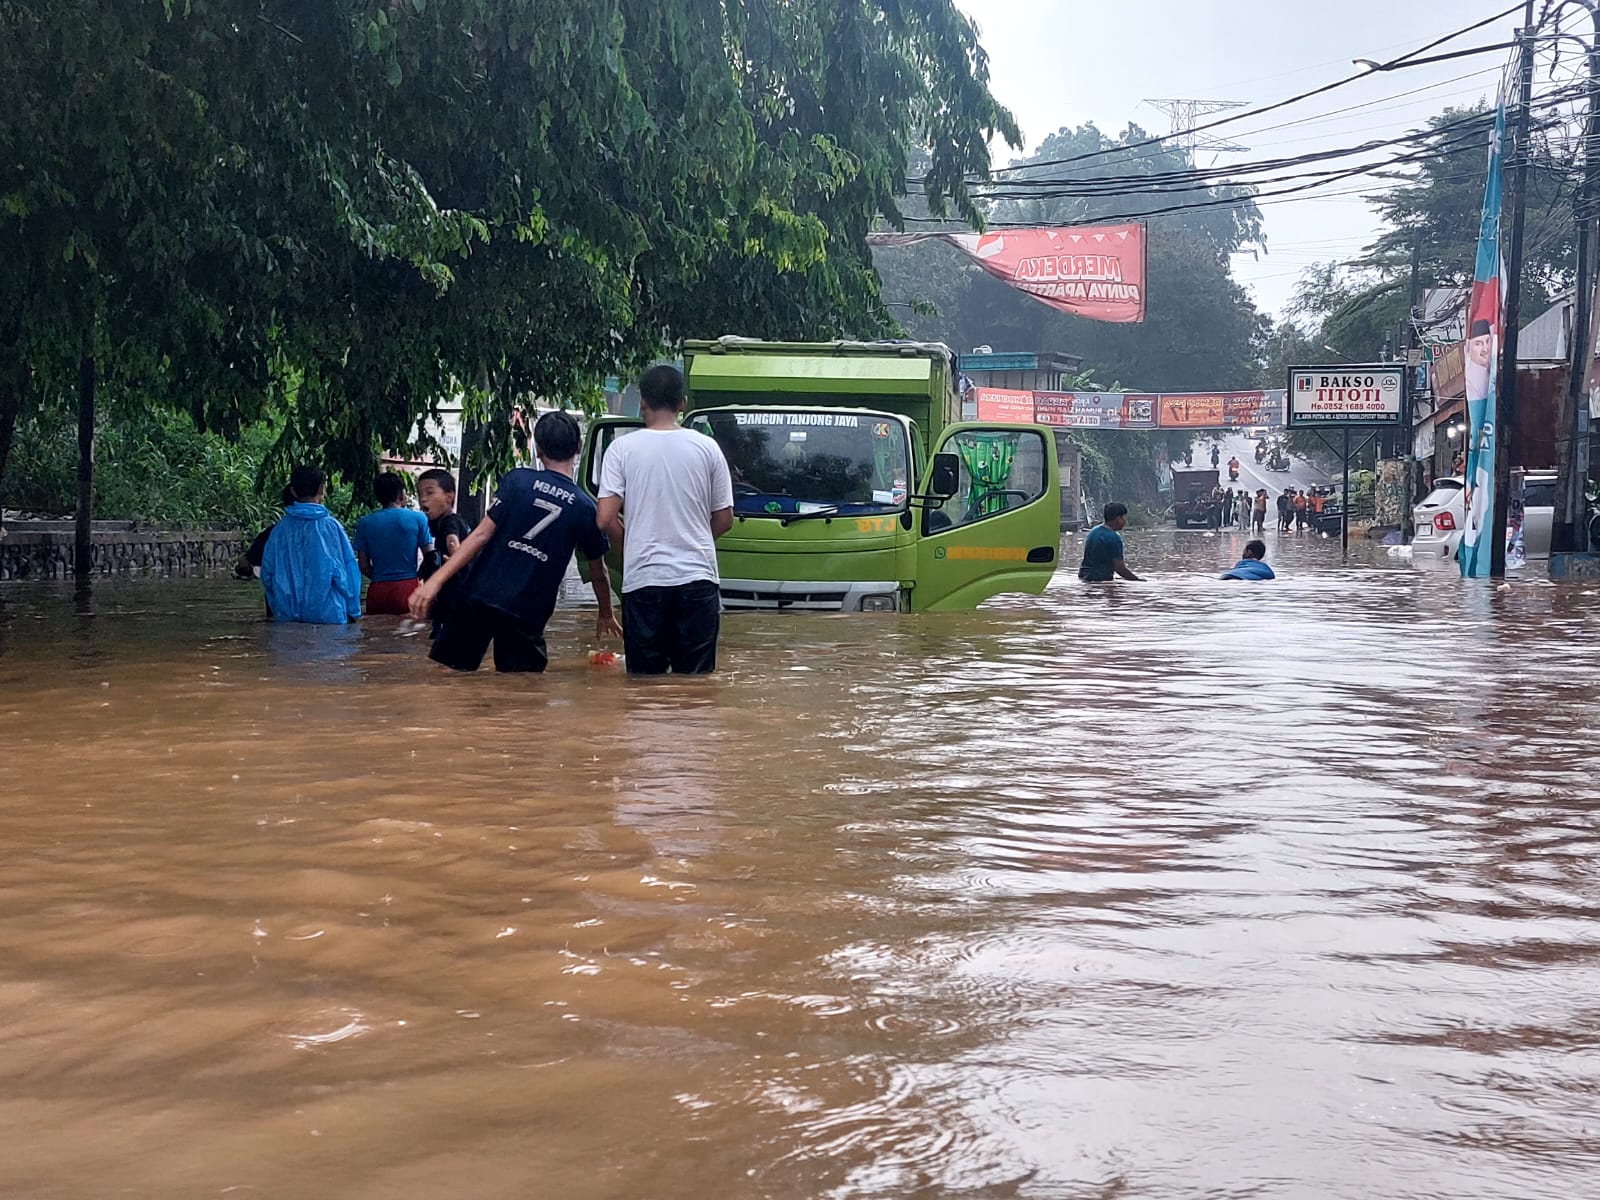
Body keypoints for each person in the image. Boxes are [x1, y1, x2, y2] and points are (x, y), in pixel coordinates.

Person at [410, 411, 621, 672]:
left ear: (539, 449)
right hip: (528, 609)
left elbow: (479, 536)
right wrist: (605, 613)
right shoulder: (585, 508)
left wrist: (434, 582)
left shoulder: (517, 481)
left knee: (450, 675)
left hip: (480, 594)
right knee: (521, 687)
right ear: (578, 447)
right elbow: (598, 572)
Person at [595, 365, 735, 675]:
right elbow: (725, 519)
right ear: (682, 403)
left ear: (642, 402)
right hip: (697, 581)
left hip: (644, 581)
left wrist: (632, 543)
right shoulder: (708, 448)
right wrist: (692, 539)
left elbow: (604, 519)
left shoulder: (621, 449)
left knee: (644, 687)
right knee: (694, 687)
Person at [260, 465, 363, 625]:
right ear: (322, 489)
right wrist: (353, 611)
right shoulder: (331, 527)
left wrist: (278, 607)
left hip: (287, 615)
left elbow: (267, 574)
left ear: (293, 491)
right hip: (329, 615)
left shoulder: (279, 531)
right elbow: (348, 572)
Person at [353, 472, 433, 615]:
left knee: (374, 634)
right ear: (401, 494)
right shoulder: (418, 518)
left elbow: (363, 566)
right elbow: (431, 557)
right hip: (408, 588)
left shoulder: (365, 523)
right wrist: (417, 576)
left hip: (378, 590)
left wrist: (380, 577)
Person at [416, 468, 473, 578]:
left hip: (455, 589)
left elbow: (452, 542)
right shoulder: (453, 521)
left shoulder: (449, 521)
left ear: (449, 497)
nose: (423, 499)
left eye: (430, 492)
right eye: (420, 494)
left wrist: (454, 562)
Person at [1078, 502, 1141, 581]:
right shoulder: (1114, 538)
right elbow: (1119, 568)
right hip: (1101, 580)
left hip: (1084, 577)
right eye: (1125, 518)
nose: (1126, 522)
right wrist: (1138, 581)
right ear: (1118, 519)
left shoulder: (1093, 531)